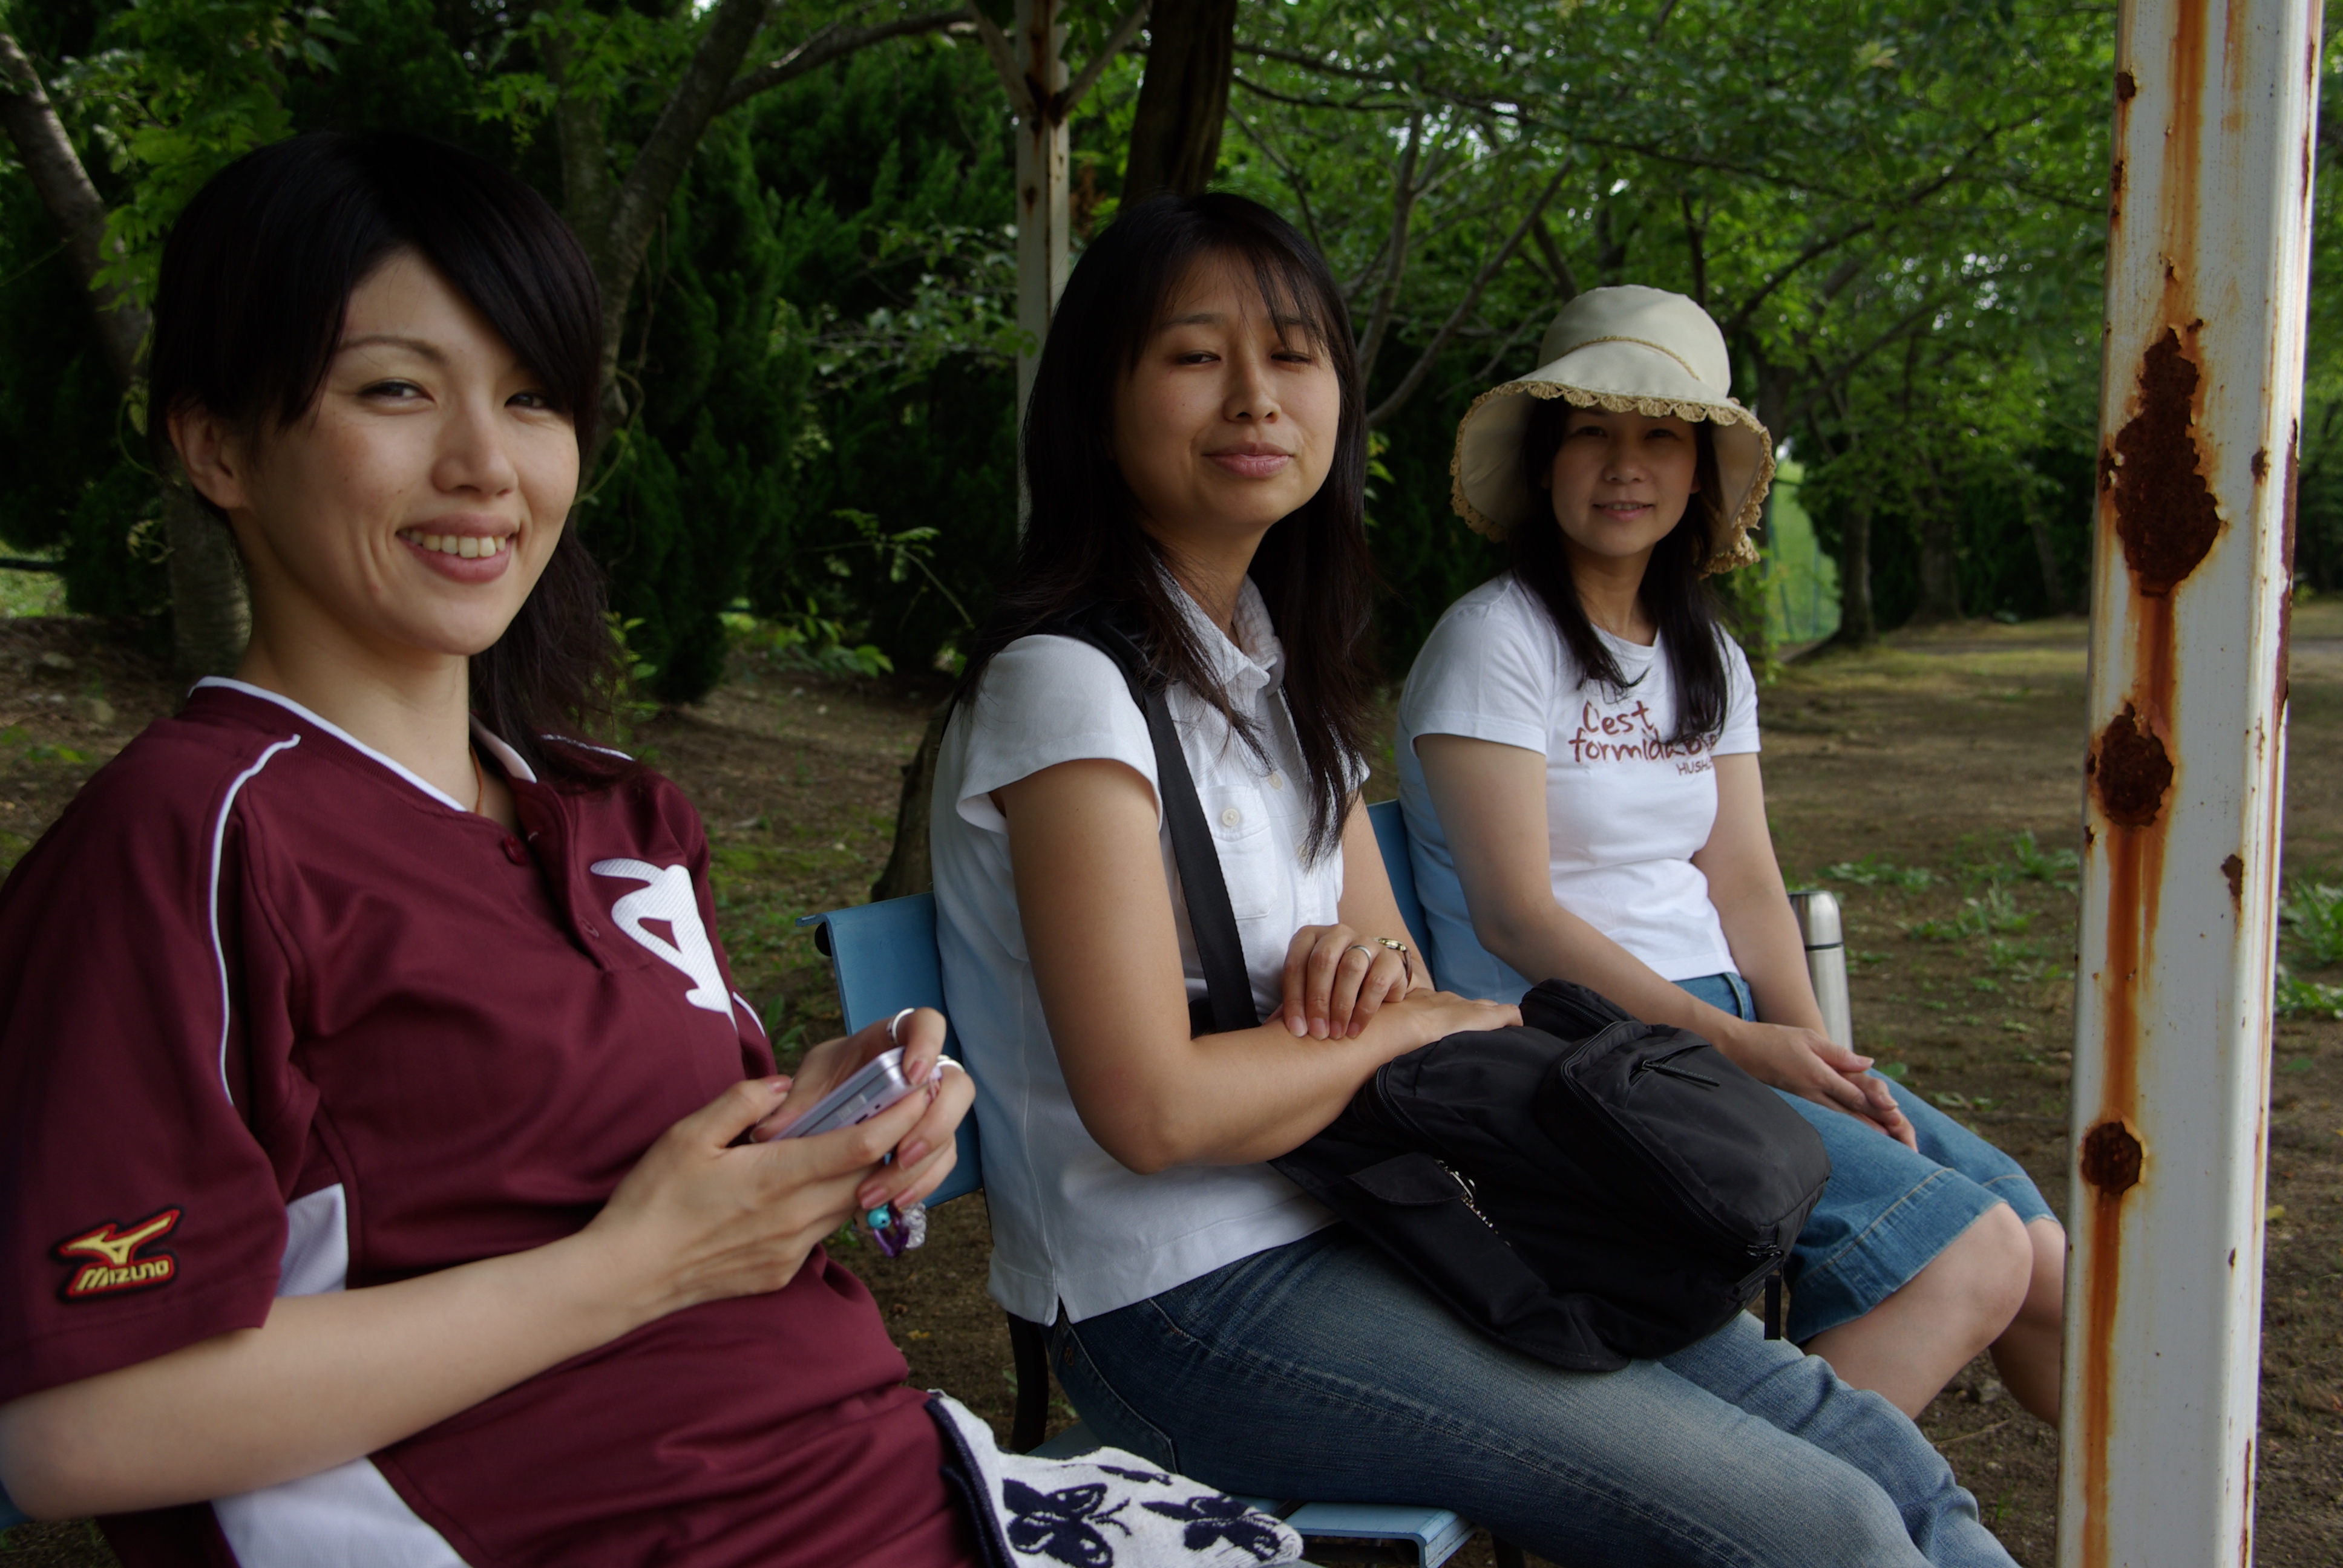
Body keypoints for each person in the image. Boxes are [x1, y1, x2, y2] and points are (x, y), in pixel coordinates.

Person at [928, 194, 2019, 1567]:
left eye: (1294, 354)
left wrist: (1386, 999)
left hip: (1386, 1206)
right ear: (1098, 402)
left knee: (1879, 1463)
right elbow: (1156, 1111)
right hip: (1188, 1293)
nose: (1256, 396)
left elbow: (1402, 979)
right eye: (1195, 356)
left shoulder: (1274, 678)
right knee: (1828, 1527)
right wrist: (1401, 1021)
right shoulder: (1068, 692)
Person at [0, 131, 981, 1568]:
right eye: (395, 390)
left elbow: (625, 1172)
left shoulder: (619, 815)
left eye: (532, 398)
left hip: (902, 1492)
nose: (484, 466)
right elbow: (70, 1428)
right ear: (216, 446)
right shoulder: (192, 841)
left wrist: (826, 1125)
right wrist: (627, 1272)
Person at [1395, 284, 2065, 1423]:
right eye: (1593, 433)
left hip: (1722, 1029)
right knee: (1969, 1256)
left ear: (1701, 472)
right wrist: (1741, 1045)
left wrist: (1818, 1054)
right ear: (1548, 461)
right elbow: (1517, 917)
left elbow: (1746, 880)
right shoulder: (1493, 642)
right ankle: (1744, 1504)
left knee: (2045, 1258)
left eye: (1662, 437)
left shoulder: (1705, 654)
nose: (1626, 467)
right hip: (1579, 1046)